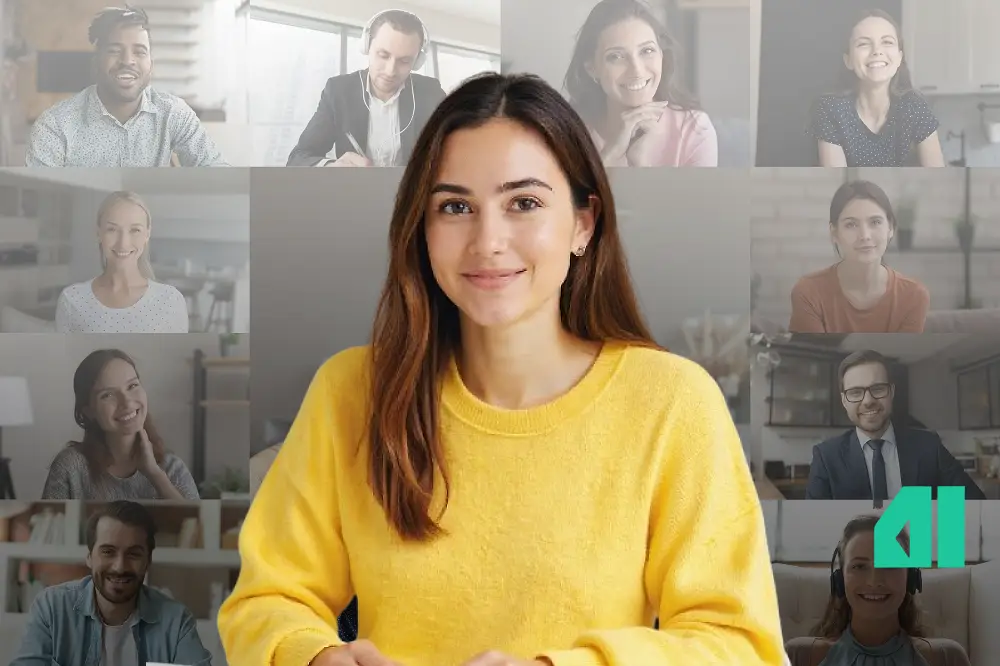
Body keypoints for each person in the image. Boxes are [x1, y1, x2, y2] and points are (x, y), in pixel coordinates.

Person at [217, 72, 785, 666]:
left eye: (524, 203)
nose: (487, 241)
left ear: (584, 223)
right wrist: (312, 656)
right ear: (422, 227)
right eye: (456, 206)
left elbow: (740, 646)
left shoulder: (673, 402)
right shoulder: (350, 391)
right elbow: (268, 600)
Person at [10, 500, 213, 666]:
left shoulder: (175, 621)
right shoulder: (52, 608)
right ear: (89, 557)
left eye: (133, 554)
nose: (119, 566)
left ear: (148, 561)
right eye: (108, 552)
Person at [24, 6, 227, 167]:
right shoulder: (55, 125)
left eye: (139, 51)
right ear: (96, 62)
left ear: (151, 64)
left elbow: (217, 173)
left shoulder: (174, 114)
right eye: (114, 50)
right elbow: (37, 195)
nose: (127, 61)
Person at [783, 515, 970, 666]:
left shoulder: (947, 658)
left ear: (910, 577)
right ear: (839, 579)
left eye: (889, 565)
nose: (874, 581)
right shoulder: (798, 656)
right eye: (859, 567)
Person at [805, 350, 986, 502]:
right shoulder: (826, 457)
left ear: (891, 392)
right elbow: (814, 525)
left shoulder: (929, 446)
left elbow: (975, 506)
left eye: (877, 389)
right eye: (855, 392)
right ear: (844, 400)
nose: (868, 401)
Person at [564, 0, 717, 167]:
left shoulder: (694, 128)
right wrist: (610, 155)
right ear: (592, 68)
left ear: (661, 55)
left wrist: (641, 165)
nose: (636, 71)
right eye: (616, 56)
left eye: (647, 51)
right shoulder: (569, 133)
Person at [286, 9, 446, 167]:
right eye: (383, 55)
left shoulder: (431, 93)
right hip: (355, 184)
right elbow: (299, 157)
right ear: (366, 47)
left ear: (418, 61)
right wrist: (331, 166)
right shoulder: (338, 91)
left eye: (404, 61)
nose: (390, 71)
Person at [42, 349, 201, 501]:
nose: (127, 402)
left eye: (132, 386)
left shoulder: (173, 468)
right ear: (89, 411)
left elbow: (197, 520)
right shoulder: (70, 467)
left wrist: (155, 475)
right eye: (107, 395)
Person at [808, 9, 944, 167]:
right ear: (848, 60)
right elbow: (836, 175)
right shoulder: (830, 109)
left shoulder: (915, 107)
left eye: (887, 42)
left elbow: (936, 171)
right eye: (863, 44)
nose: (877, 51)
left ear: (899, 57)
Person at [789, 180, 929, 333]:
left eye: (875, 222)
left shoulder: (913, 295)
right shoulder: (809, 292)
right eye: (851, 224)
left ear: (891, 228)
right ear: (834, 232)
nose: (865, 235)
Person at [56, 191, 189, 333]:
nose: (123, 243)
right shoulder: (72, 300)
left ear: (147, 234)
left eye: (135, 230)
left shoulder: (170, 301)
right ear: (99, 233)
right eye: (112, 229)